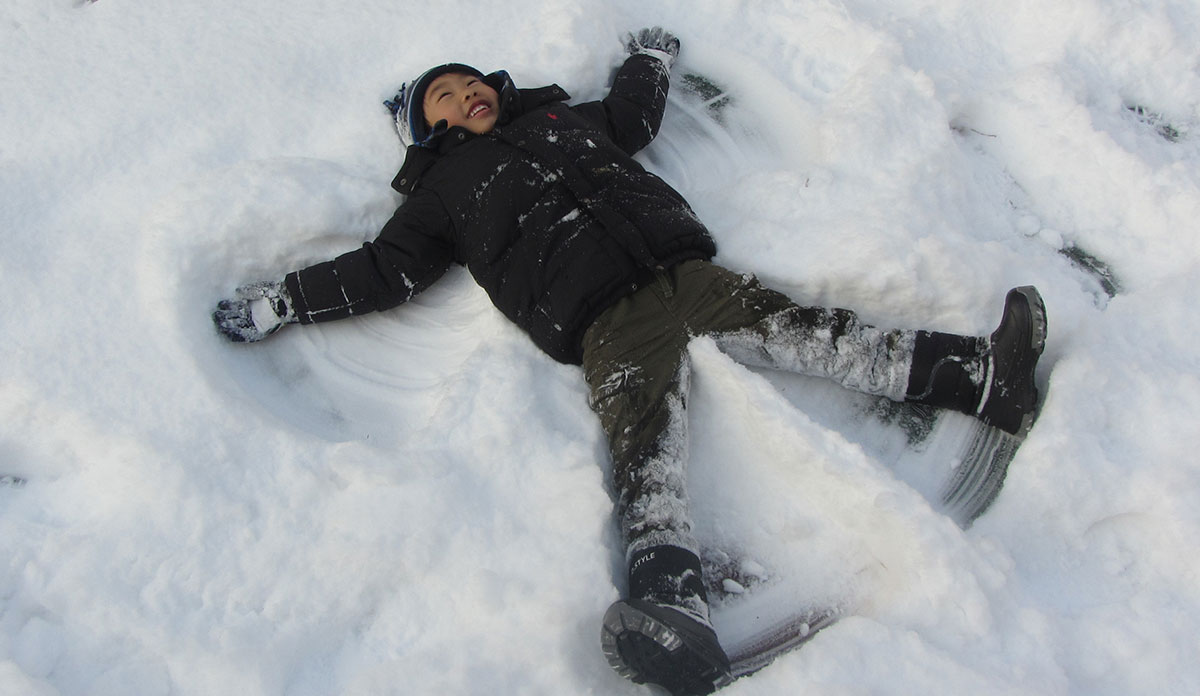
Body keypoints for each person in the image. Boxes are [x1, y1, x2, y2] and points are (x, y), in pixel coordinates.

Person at [213, 27, 1047, 695]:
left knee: (811, 332)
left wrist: (646, 60)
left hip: (685, 271)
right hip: (602, 320)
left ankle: (981, 376)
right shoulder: (442, 194)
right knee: (645, 440)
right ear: (427, 127)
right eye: (443, 94)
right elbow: (382, 271)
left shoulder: (556, 119)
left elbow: (632, 119)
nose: (465, 92)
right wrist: (285, 300)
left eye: (469, 80)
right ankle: (668, 600)